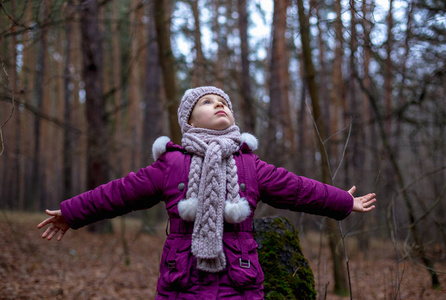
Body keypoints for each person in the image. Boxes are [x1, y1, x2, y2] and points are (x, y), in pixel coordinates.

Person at [38, 86, 376, 299]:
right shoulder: (171, 163)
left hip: (240, 279)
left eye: (223, 102)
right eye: (207, 102)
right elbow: (121, 192)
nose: (218, 105)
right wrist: (72, 213)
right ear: (189, 120)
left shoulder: (249, 164)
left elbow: (298, 189)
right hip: (181, 278)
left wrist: (343, 201)